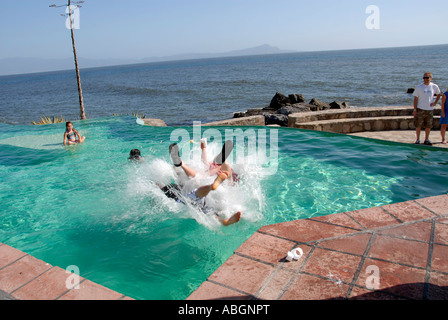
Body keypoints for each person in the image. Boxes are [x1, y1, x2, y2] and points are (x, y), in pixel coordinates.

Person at [167, 142, 242, 226]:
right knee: (225, 183)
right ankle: (225, 222)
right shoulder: (224, 170)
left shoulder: (214, 167)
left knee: (197, 179)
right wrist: (204, 149)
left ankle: (182, 165)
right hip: (221, 191)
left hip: (205, 187)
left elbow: (205, 164)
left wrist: (204, 149)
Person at [413, 72, 442, 145]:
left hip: (430, 109)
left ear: (430, 78)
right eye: (424, 78)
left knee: (428, 125)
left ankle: (426, 139)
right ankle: (417, 139)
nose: (425, 79)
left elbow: (439, 94)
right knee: (418, 125)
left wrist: (435, 103)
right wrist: (415, 109)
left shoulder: (434, 86)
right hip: (420, 109)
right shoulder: (419, 87)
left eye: (427, 78)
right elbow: (415, 99)